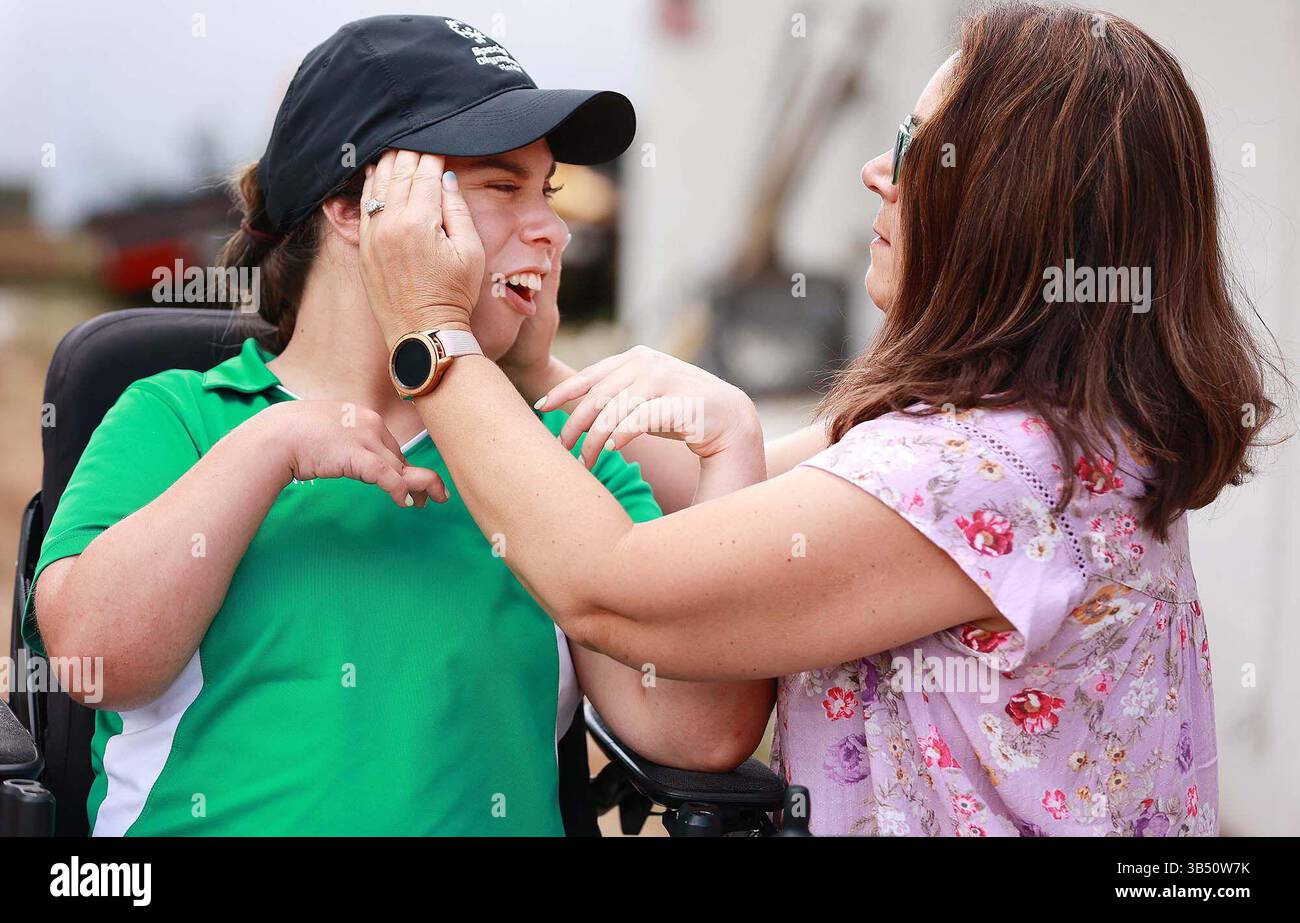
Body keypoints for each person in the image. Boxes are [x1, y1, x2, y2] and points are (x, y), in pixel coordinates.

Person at [356, 2, 1279, 836]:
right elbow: (732, 503)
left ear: (1012, 204)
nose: (880, 172)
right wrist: (532, 364)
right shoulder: (1052, 428)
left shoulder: (982, 470)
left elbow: (610, 587)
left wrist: (431, 337)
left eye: (918, 148)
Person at [25, 15, 772, 836]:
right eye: (501, 186)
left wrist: (729, 453)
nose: (554, 231)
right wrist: (268, 449)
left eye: (548, 192)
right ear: (354, 205)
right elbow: (95, 660)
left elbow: (701, 734)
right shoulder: (180, 418)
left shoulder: (560, 459)